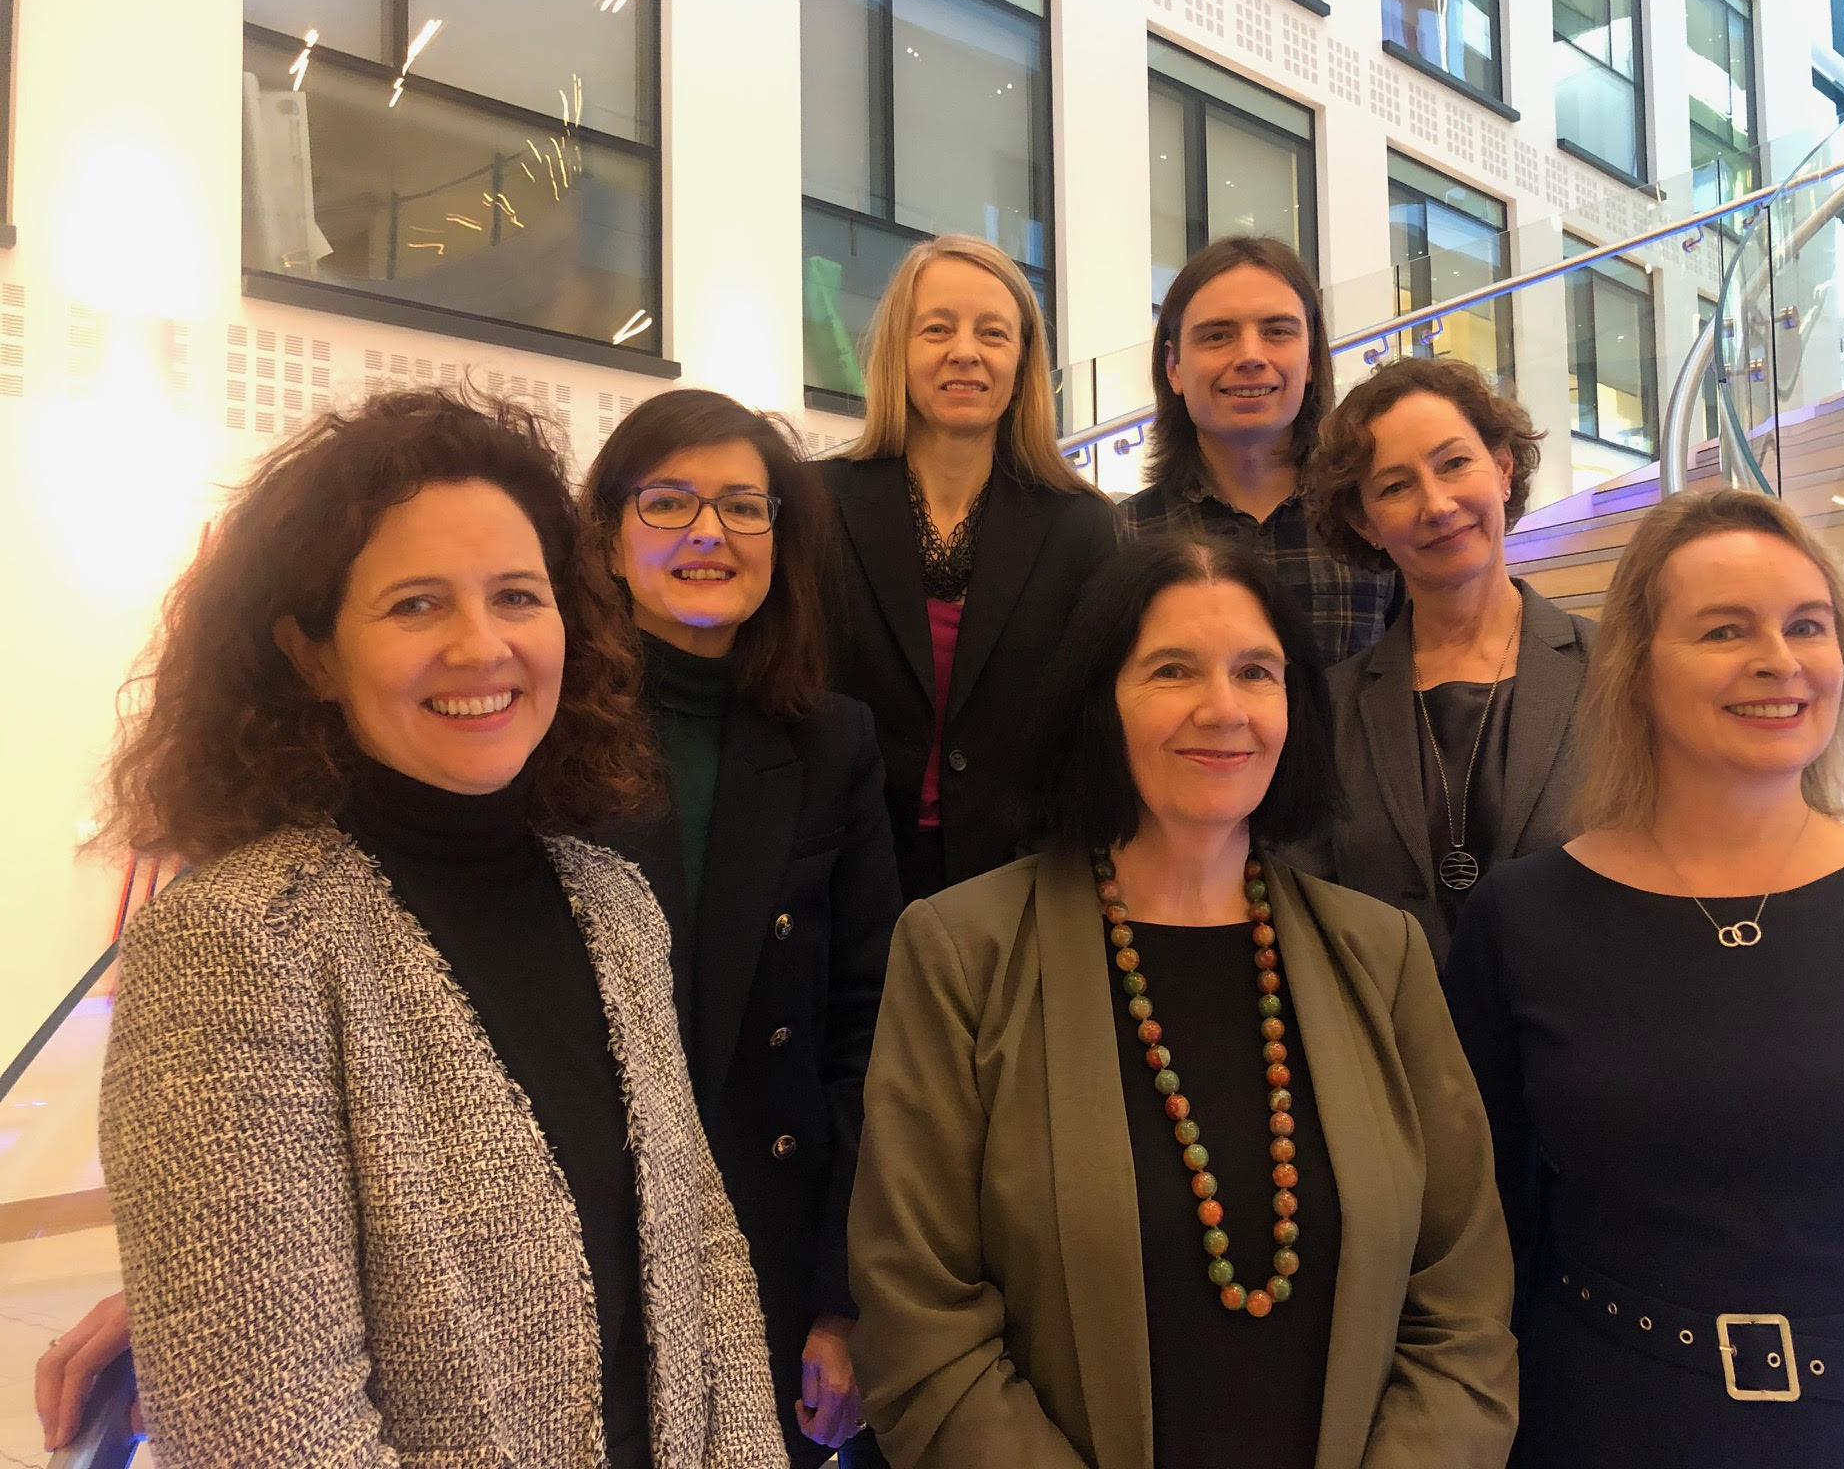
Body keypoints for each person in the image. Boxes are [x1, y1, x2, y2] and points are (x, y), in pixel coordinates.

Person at [81, 390, 786, 1466]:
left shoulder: (615, 905)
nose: (482, 645)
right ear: (312, 656)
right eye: (416, 605)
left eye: (517, 595)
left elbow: (707, 1275)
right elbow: (271, 1434)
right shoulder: (236, 946)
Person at [847, 535, 1518, 1469]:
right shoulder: (963, 952)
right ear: (1098, 704)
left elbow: (1465, 1304)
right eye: (1171, 670)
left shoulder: (1383, 953)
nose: (1224, 710)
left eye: (1257, 671)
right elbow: (921, 1325)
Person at [1443, 488, 1844, 1467]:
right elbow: (1485, 1239)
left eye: (1807, 626)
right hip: (1606, 1424)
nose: (1780, 661)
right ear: (1636, 669)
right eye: (1724, 631)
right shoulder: (1521, 919)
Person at [581, 387, 905, 1466]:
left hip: (769, 1237)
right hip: (578, 1237)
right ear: (611, 537)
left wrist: (843, 1300)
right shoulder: (539, 734)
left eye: (742, 506)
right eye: (668, 502)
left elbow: (868, 1028)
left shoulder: (830, 742)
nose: (709, 533)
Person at [821, 232, 1118, 902]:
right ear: (899, 349)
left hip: (1025, 884)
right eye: (936, 329)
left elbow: (1097, 727)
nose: (965, 351)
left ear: (1021, 363)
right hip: (844, 880)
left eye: (993, 332)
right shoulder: (817, 506)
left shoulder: (1085, 527)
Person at [1305, 356, 1595, 964]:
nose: (1436, 505)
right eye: (1395, 486)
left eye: (1454, 463)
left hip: (1584, 1044)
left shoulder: (1615, 672)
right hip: (1392, 1047)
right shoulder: (1331, 708)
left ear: (1504, 466)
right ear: (1364, 523)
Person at [1120, 236, 1397, 670]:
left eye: (1277, 332)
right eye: (1217, 335)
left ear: (1309, 361)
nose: (1250, 355)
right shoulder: (1121, 538)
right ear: (1173, 368)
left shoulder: (1375, 520)